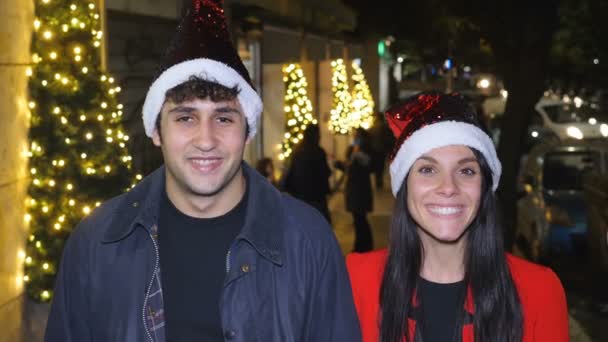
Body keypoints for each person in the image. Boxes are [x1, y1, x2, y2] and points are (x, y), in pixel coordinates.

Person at [44, 1, 360, 341]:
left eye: (223, 118)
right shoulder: (96, 242)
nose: (206, 140)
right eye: (185, 118)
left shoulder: (308, 241)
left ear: (248, 130)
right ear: (156, 130)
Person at [347, 92, 569, 342]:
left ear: (484, 187)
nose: (448, 187)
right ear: (404, 185)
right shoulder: (355, 281)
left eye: (466, 170)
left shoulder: (540, 290)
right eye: (428, 169)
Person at [282, 124, 332, 222]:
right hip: (316, 198)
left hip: (300, 198)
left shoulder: (298, 151)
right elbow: (325, 173)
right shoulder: (319, 152)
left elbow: (292, 173)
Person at [345, 128, 374, 252]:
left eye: (357, 136)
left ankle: (363, 246)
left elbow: (368, 165)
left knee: (360, 218)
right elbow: (350, 167)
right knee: (358, 218)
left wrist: (358, 155)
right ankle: (361, 245)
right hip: (354, 188)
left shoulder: (365, 151)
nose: (355, 138)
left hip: (360, 189)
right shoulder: (353, 149)